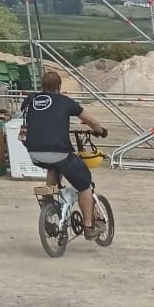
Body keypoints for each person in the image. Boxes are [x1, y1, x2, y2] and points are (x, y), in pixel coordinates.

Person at [21, 70, 107, 239]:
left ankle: (48, 205)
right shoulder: (65, 102)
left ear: (42, 86)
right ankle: (89, 226)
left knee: (52, 167)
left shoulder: (30, 100)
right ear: (59, 87)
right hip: (59, 152)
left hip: (34, 153)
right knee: (84, 184)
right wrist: (101, 131)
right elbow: (91, 121)